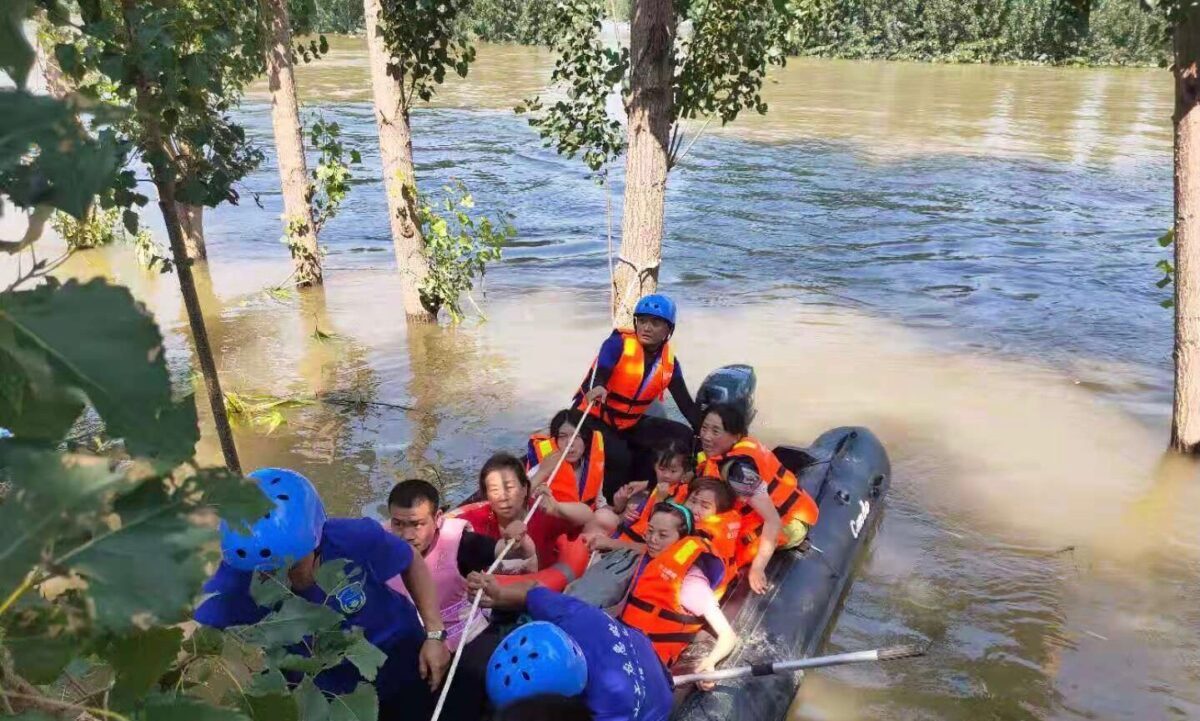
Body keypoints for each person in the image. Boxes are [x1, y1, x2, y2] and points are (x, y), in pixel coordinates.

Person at [195, 468, 451, 721]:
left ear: (317, 543)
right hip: (327, 694)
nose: (276, 581)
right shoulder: (236, 580)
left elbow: (411, 560)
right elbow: (204, 634)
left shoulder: (353, 539)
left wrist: (434, 634)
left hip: (401, 654)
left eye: (291, 566)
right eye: (263, 575)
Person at [472, 582, 674, 721]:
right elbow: (533, 592)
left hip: (658, 700)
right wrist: (499, 595)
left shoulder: (607, 708)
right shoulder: (573, 616)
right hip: (639, 645)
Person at [574, 293, 700, 502]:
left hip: (629, 424)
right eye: (641, 321)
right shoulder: (616, 344)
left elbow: (686, 404)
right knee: (620, 456)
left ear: (668, 330)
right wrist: (598, 387)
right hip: (594, 419)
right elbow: (601, 371)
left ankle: (655, 488)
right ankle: (612, 505)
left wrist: (706, 431)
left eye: (655, 322)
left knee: (683, 433)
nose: (646, 327)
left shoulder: (669, 363)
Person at [696, 403, 819, 595]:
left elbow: (773, 520)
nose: (707, 436)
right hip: (765, 511)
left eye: (716, 431)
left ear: (736, 436)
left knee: (725, 554)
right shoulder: (731, 452)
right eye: (704, 428)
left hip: (787, 523)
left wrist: (758, 568)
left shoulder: (739, 472)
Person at [616, 502, 737, 682]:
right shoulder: (648, 559)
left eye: (663, 535)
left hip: (645, 664)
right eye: (650, 531)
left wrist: (710, 663)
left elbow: (728, 636)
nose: (652, 539)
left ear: (682, 540)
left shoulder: (691, 582)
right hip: (621, 645)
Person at [386, 479, 504, 651]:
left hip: (465, 640)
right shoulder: (378, 541)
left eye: (417, 524)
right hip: (409, 643)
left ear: (438, 518)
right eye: (398, 524)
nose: (407, 535)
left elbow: (512, 552)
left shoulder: (463, 543)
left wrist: (519, 541)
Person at [451, 452, 593, 570]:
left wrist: (557, 508)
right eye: (494, 490)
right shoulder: (479, 518)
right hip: (490, 597)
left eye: (510, 488)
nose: (503, 498)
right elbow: (444, 531)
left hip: (540, 589)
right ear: (486, 495)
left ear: (525, 488)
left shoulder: (540, 511)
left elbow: (587, 515)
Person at [588, 439, 694, 553]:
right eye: (662, 469)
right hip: (626, 536)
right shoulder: (653, 487)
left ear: (684, 472)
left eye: (673, 471)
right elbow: (630, 519)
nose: (667, 475)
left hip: (643, 547)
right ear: (654, 466)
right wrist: (624, 510)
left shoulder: (682, 493)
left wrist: (660, 499)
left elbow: (659, 530)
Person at [526, 408, 607, 510]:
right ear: (554, 440)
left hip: (586, 520)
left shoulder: (593, 464)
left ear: (586, 440)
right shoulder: (542, 467)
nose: (570, 443)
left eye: (576, 436)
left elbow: (600, 502)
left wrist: (620, 509)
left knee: (606, 517)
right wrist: (542, 472)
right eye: (562, 436)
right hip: (554, 522)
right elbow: (519, 501)